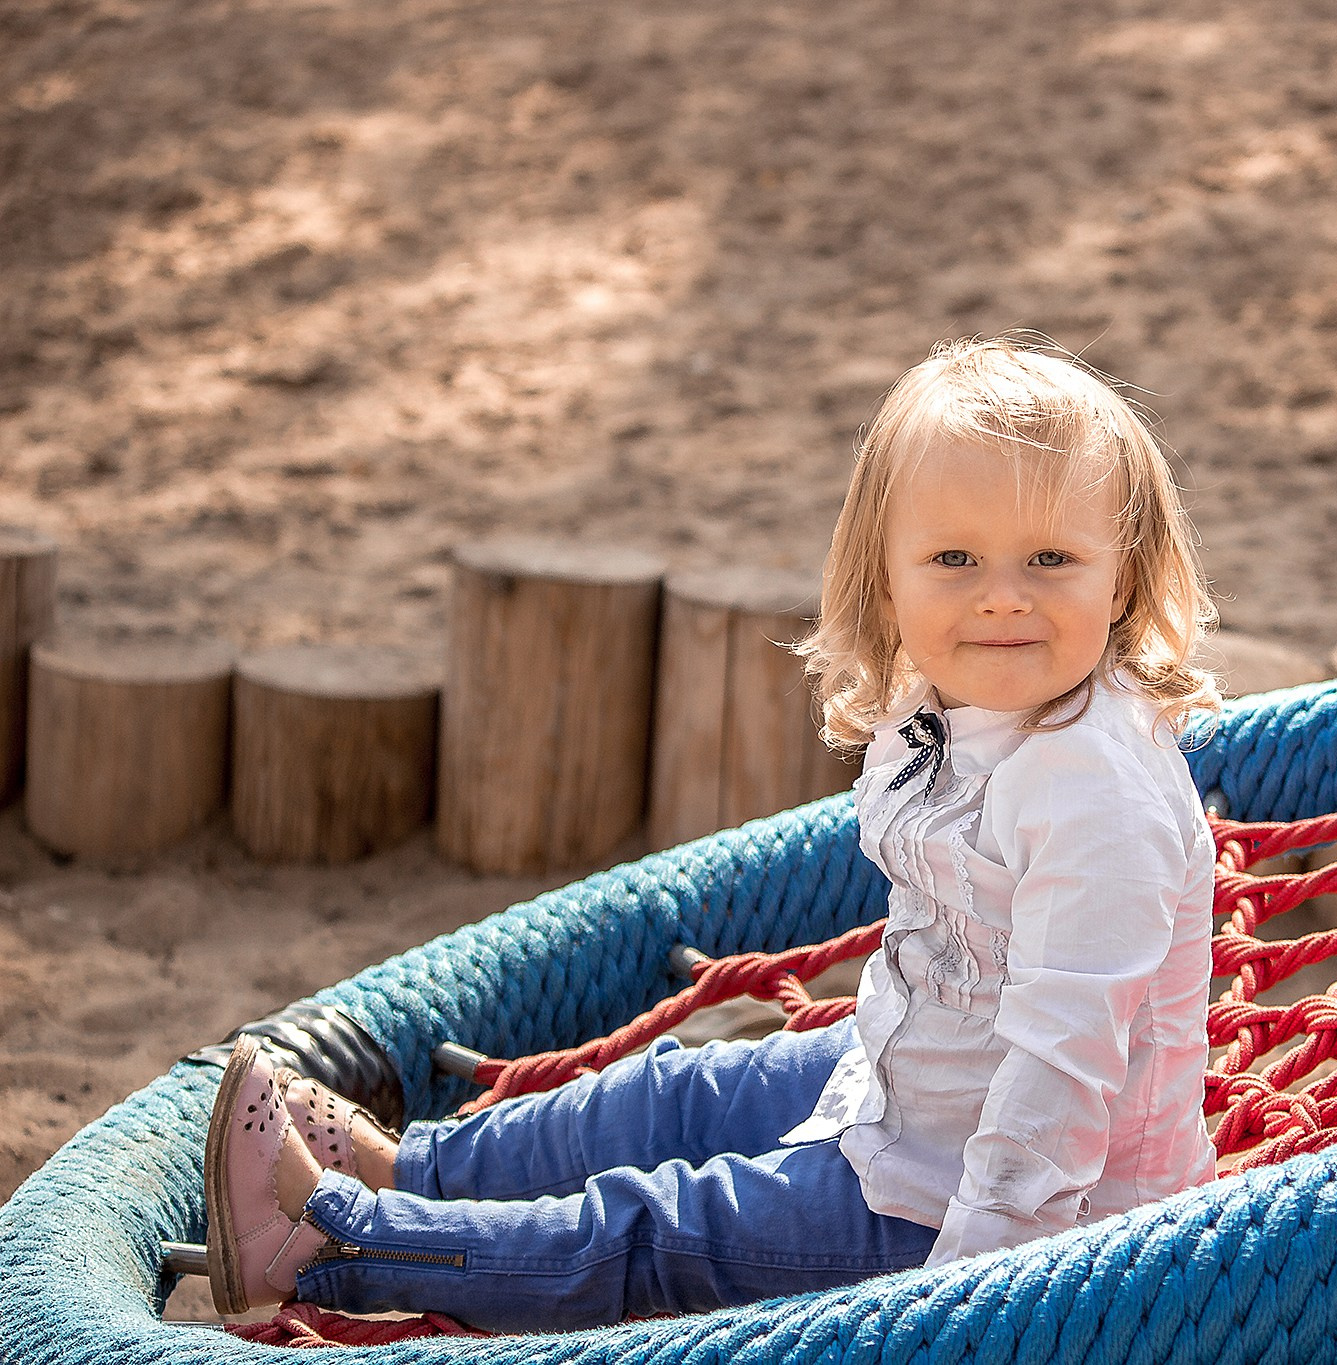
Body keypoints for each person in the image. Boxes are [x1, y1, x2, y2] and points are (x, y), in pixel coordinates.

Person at [202, 335, 1224, 1330]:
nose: (1002, 593)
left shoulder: (1098, 797)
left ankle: (337, 1242)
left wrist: (960, 1298)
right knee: (680, 1093)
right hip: (907, 1090)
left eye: (1051, 557)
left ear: (1122, 577)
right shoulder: (952, 705)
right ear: (886, 577)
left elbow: (1062, 1074)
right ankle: (404, 1169)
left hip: (1009, 1223)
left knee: (662, 1228)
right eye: (953, 557)